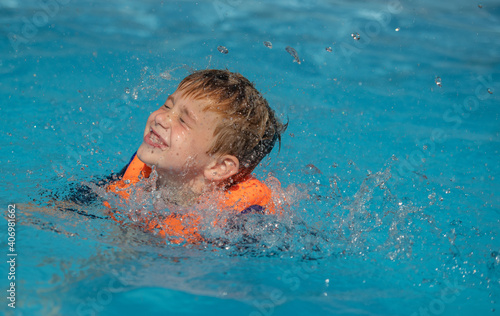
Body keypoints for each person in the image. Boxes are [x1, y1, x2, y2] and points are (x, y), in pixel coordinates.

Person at [105, 69, 286, 243]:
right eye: (167, 106)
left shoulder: (244, 220)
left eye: (183, 120)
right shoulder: (139, 171)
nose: (161, 118)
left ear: (219, 167)